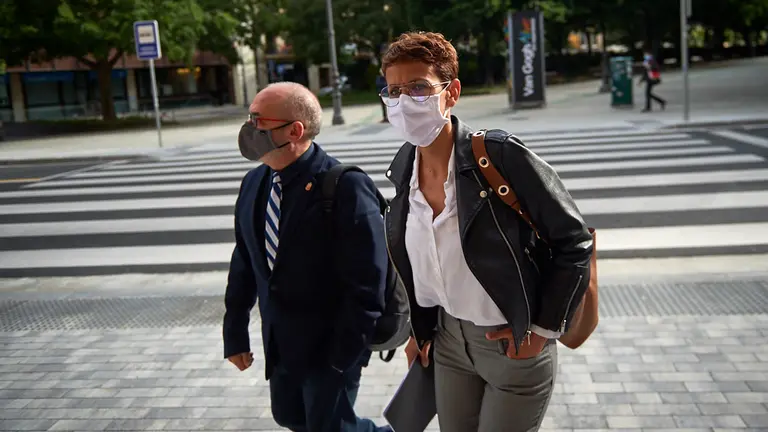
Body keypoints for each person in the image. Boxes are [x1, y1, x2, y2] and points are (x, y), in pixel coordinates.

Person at [379, 32, 594, 432]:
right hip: (446, 342)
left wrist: (543, 329)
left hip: (511, 340)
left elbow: (574, 241)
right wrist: (419, 331)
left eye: (418, 87)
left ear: (452, 92)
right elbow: (421, 261)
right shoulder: (404, 167)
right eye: (393, 90)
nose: (404, 101)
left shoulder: (498, 155)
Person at [223, 81, 392, 432]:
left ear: (294, 131)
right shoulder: (255, 184)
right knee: (289, 417)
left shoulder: (345, 186)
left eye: (258, 121)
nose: (249, 129)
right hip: (281, 342)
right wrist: (235, 331)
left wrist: (342, 358)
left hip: (330, 347)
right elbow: (245, 260)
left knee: (328, 427)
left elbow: (367, 284)